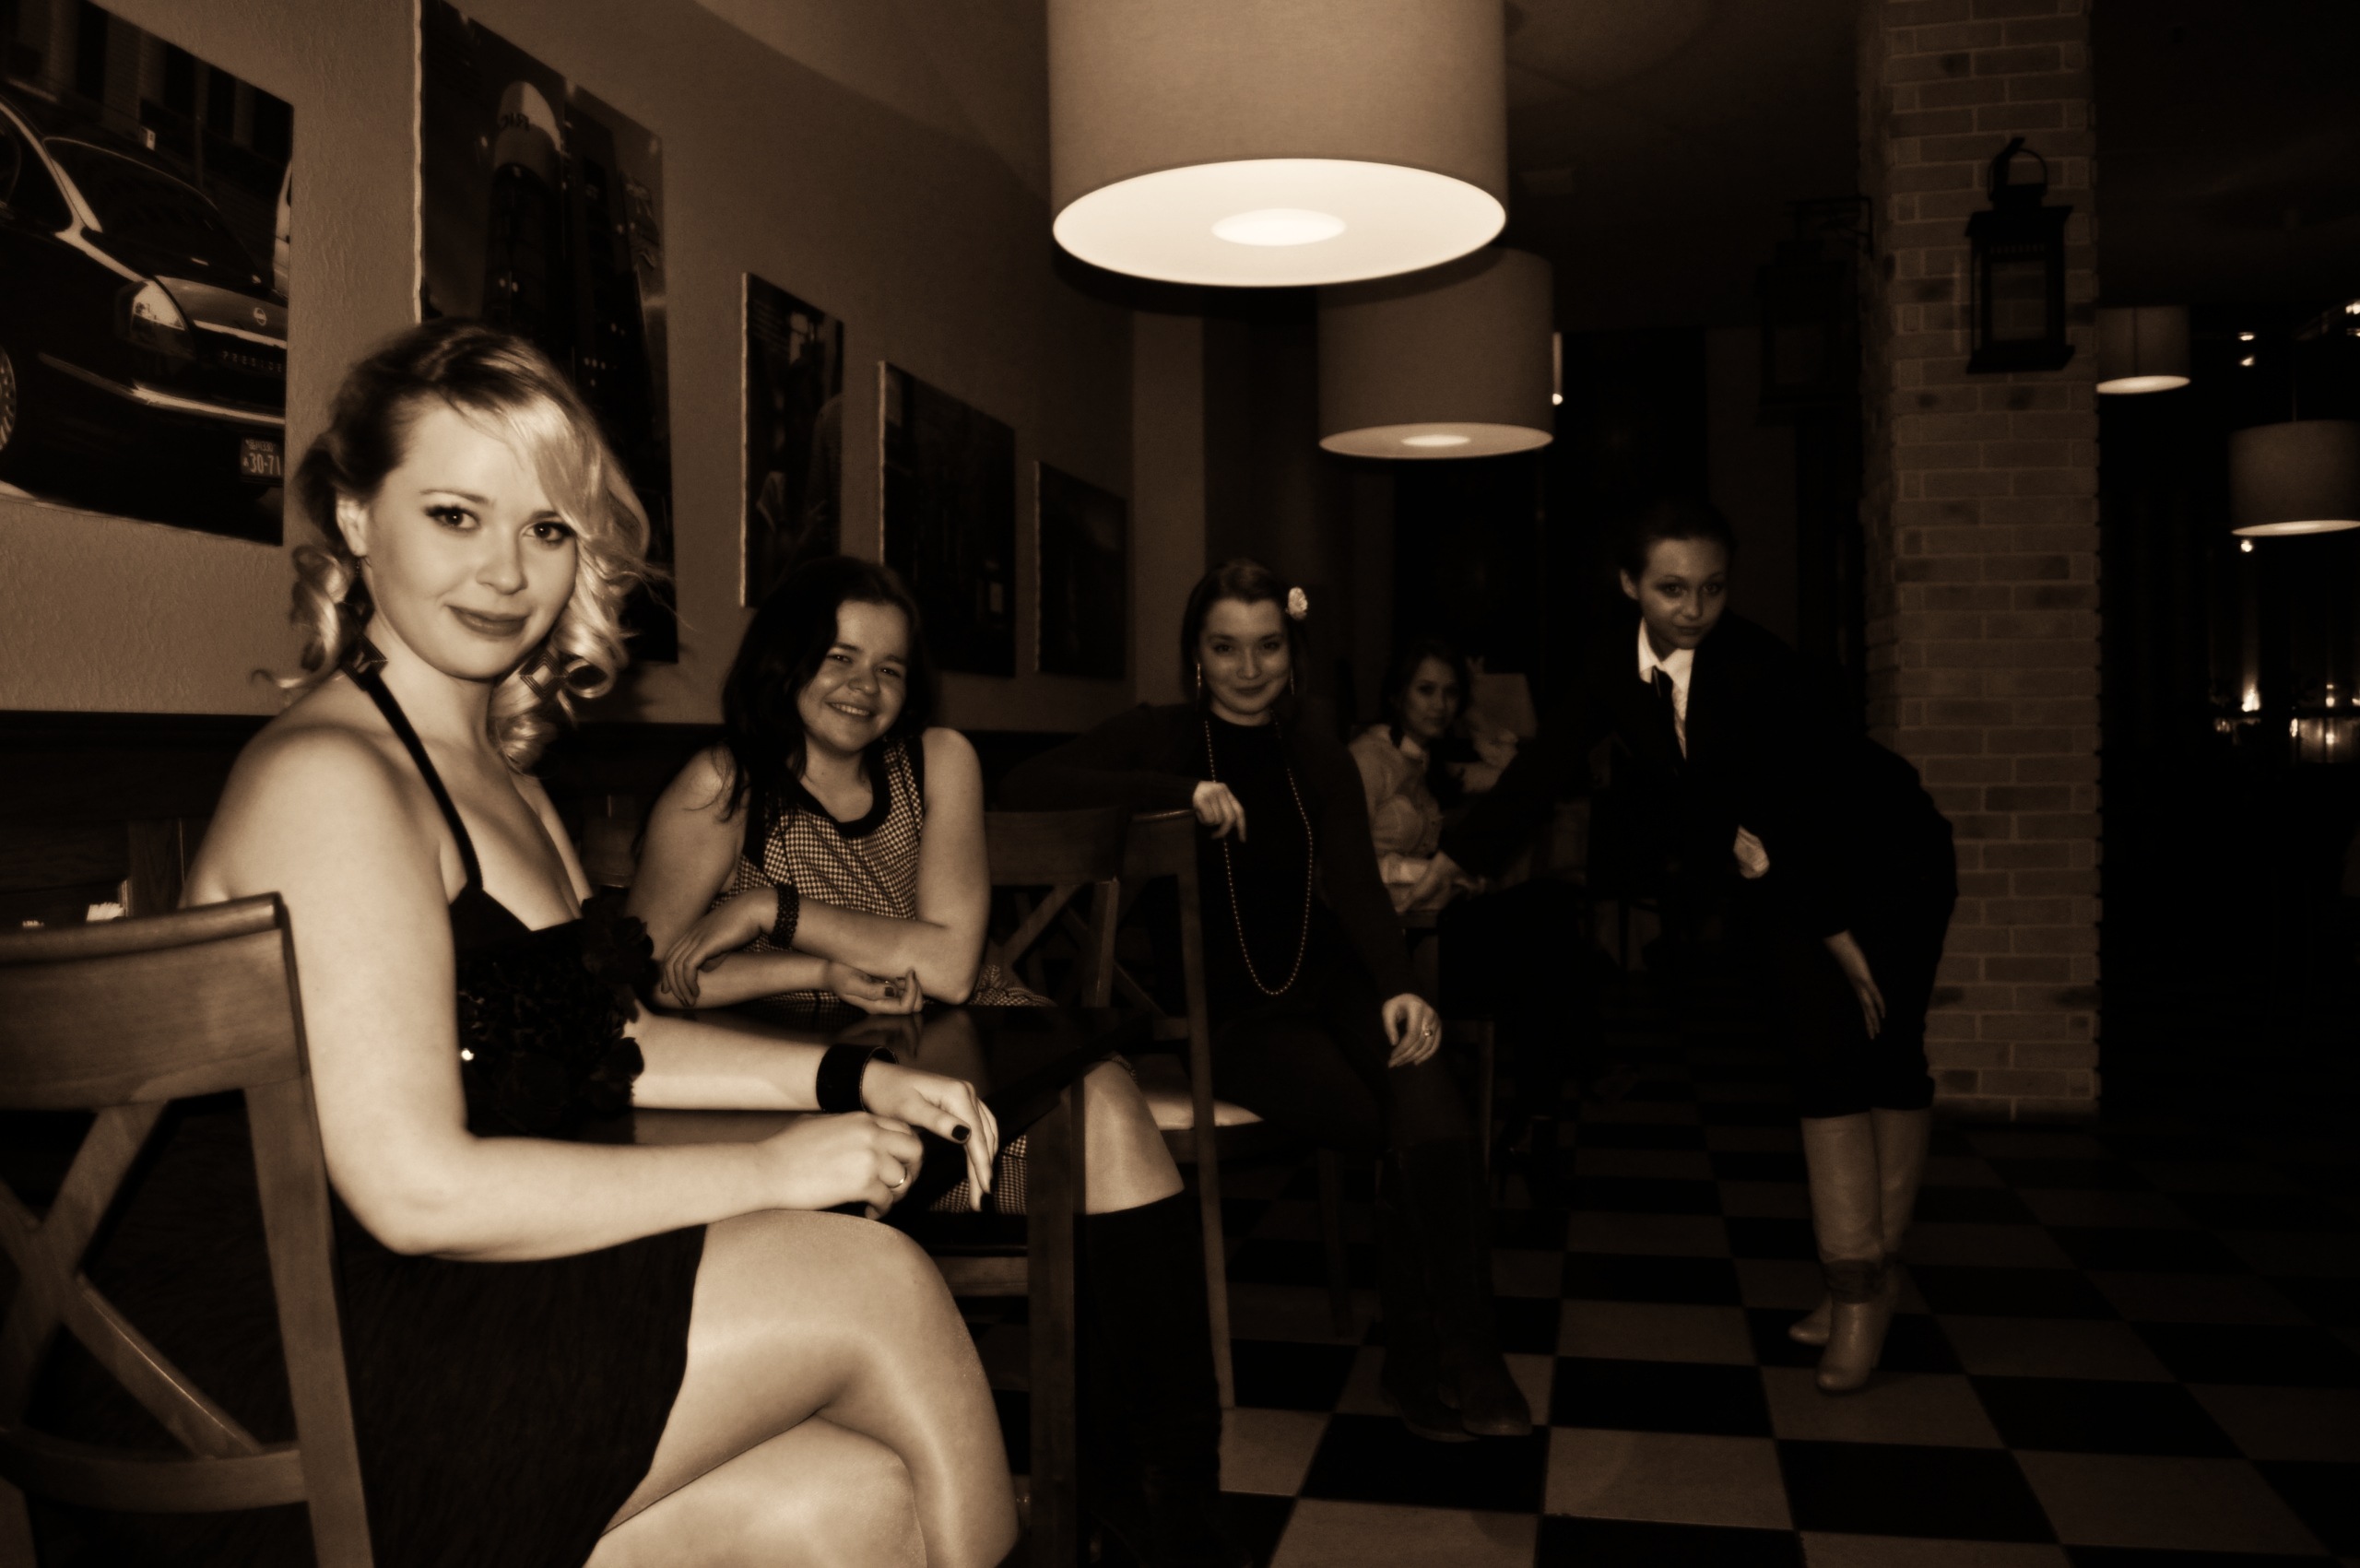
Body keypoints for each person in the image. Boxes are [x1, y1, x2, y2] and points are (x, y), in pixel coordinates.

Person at [35, 321, 1018, 1568]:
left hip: (419, 1306)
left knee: (858, 1505)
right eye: (456, 515)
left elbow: (612, 1038)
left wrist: (849, 1077)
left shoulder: (501, 776)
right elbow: (415, 1190)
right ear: (355, 518)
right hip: (263, 1383)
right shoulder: (331, 777)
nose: (505, 571)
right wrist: (775, 1168)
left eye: (547, 530)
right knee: (872, 1278)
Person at [628, 555, 1242, 1568]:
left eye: (891, 668)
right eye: (839, 657)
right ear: (785, 660)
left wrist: (769, 907)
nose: (864, 686)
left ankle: (1168, 1502)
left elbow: (952, 964)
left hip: (974, 1055)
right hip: (807, 1091)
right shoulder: (723, 786)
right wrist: (816, 964)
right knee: (1093, 1138)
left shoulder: (937, 760)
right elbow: (651, 982)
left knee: (1106, 1113)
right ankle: (1121, 1499)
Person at [1412, 497, 1955, 1393]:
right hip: (1778, 868)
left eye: (1711, 588)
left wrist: (1839, 934)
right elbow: (1542, 770)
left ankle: (1865, 1289)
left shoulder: (1761, 666)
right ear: (1629, 583)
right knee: (1820, 1058)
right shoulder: (1608, 664)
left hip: (1884, 858)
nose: (1693, 608)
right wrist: (1454, 861)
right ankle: (1854, 1279)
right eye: (1671, 589)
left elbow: (1806, 806)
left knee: (1884, 1052)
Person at [1000, 560, 1531, 1444]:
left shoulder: (1317, 753)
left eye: (1268, 646)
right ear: (1196, 656)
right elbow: (1024, 786)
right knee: (1413, 1118)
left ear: (1293, 652)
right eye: (1226, 648)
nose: (1249, 669)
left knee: (1424, 1074)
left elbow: (1357, 887)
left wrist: (1400, 986)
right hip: (1236, 1020)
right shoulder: (1163, 736)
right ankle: (1426, 1359)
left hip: (1332, 983)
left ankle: (1466, 1356)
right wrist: (1178, 794)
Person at [1356, 637, 1596, 1201]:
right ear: (1395, 695)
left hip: (1434, 926)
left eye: (1450, 693)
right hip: (1395, 943)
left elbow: (1522, 773)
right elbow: (1341, 865)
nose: (1439, 704)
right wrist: (1428, 872)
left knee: (1548, 932)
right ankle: (1562, 1093)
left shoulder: (1428, 760)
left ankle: (1535, 1121)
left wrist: (1476, 716)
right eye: (1426, 690)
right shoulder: (1367, 759)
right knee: (1547, 932)